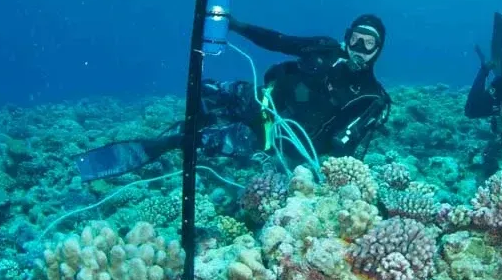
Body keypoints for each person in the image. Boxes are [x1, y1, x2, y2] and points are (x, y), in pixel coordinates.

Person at [75, 15, 392, 181]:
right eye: (355, 39)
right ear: (346, 35)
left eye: (368, 44)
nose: (358, 49)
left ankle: (162, 145)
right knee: (210, 90)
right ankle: (206, 116)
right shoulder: (325, 48)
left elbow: (340, 150)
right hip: (262, 100)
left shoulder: (370, 97)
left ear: (378, 50)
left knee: (206, 141)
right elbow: (277, 41)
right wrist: (237, 26)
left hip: (273, 139)